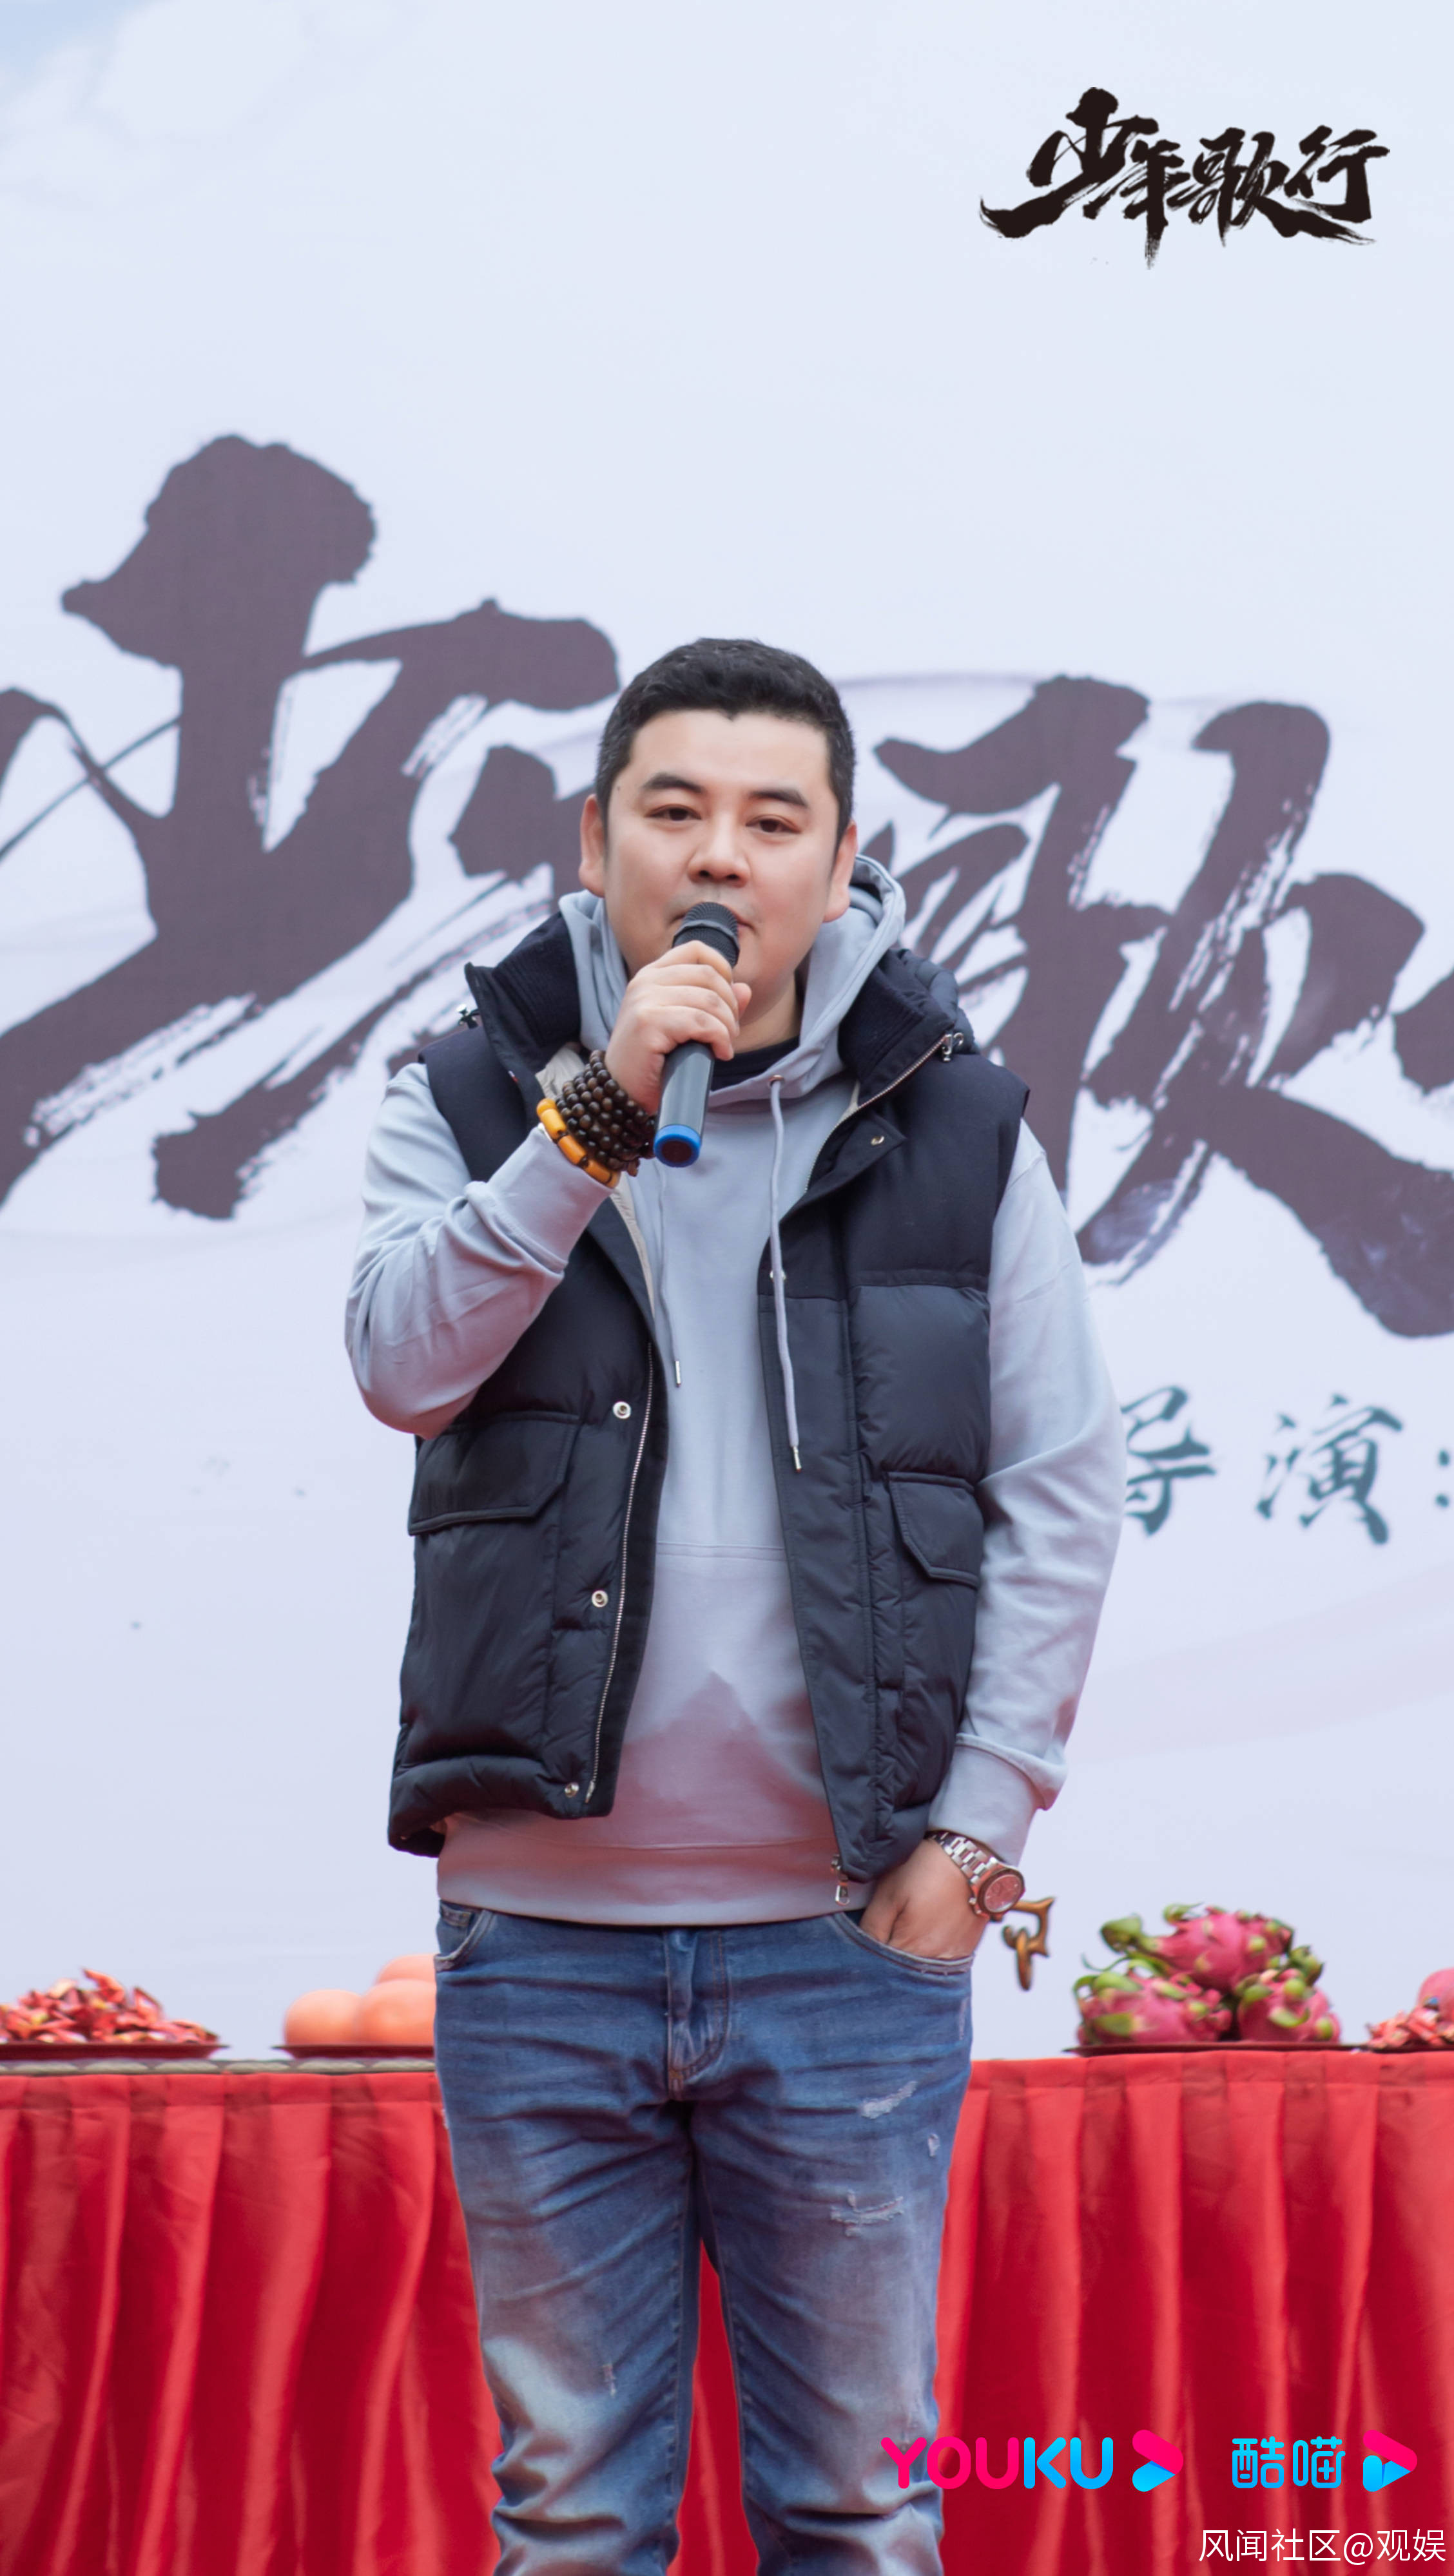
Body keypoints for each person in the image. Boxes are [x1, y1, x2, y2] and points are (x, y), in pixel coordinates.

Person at [345, 636, 1125, 2575]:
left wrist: (981, 1831)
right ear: (595, 839)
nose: (721, 856)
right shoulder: (469, 1091)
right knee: (571, 2518)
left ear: (842, 862)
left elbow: (1058, 1490)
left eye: (774, 821)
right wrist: (594, 1120)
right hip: (541, 1938)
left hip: (842, 1941)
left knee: (859, 2511)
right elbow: (403, 1366)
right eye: (676, 811)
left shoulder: (958, 1125)